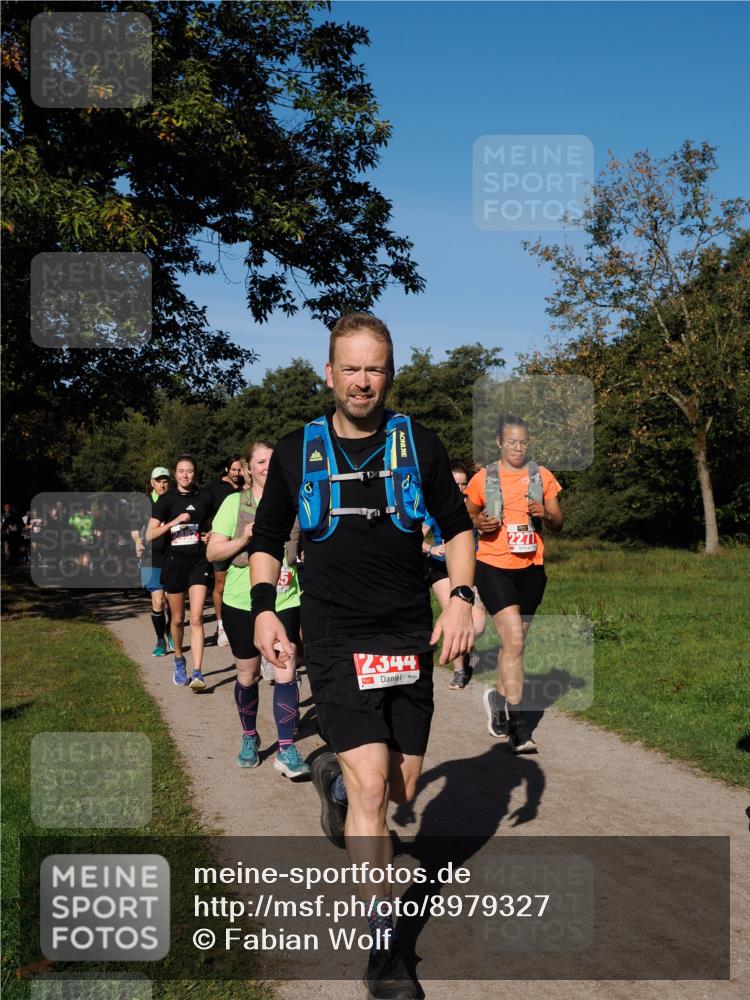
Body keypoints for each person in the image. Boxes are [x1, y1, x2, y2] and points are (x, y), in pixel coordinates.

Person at [250, 313, 475, 999]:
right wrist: (264, 606)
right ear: (329, 373)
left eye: (374, 368)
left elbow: (457, 526)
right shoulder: (296, 451)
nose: (362, 380)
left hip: (406, 637)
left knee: (402, 788)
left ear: (389, 374)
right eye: (350, 367)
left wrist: (461, 595)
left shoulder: (421, 444)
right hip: (337, 637)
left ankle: (334, 782)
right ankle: (384, 951)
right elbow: (266, 536)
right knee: (378, 791)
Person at [207, 441, 309, 779]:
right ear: (248, 468)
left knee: (286, 670)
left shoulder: (296, 501)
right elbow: (212, 553)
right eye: (261, 461)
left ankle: (286, 748)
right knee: (248, 675)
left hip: (285, 598)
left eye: (273, 460)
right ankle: (249, 737)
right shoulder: (235, 503)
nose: (268, 466)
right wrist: (244, 540)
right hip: (241, 601)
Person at [465, 414, 563, 753]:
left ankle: (496, 695)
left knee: (514, 646)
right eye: (512, 443)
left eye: (523, 442)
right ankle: (519, 726)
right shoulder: (484, 478)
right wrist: (479, 520)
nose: (518, 448)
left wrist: (545, 514)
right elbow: (467, 513)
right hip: (493, 566)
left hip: (532, 568)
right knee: (515, 639)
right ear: (499, 443)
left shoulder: (543, 476)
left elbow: (558, 521)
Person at [146, 455, 213, 690]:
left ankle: (198, 672)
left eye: (190, 471)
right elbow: (150, 534)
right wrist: (173, 522)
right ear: (175, 474)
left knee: (196, 618)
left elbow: (213, 525)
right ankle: (178, 660)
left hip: (198, 563)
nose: (186, 475)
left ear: (195, 473)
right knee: (177, 619)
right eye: (181, 471)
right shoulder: (166, 500)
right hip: (173, 564)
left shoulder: (205, 498)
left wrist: (210, 535)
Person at [422, 458, 487, 690]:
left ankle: (469, 648)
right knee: (452, 615)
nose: (459, 489)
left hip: (471, 567)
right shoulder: (435, 507)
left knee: (477, 624)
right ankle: (460, 670)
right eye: (454, 484)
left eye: (463, 484)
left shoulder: (474, 505)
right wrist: (431, 548)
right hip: (441, 568)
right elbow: (415, 536)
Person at [132, 467, 173, 657]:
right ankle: (160, 641)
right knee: (158, 601)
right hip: (151, 556)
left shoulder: (175, 501)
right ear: (152, 483)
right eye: (159, 481)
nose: (162, 484)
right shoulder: (143, 504)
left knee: (172, 602)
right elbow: (134, 528)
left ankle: (170, 630)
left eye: (165, 480)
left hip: (173, 556)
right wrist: (138, 541)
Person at [204, 455, 244, 648]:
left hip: (242, 543)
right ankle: (221, 626)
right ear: (227, 469)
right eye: (234, 469)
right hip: (221, 542)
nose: (238, 473)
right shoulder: (215, 488)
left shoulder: (247, 487)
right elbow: (204, 512)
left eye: (240, 469)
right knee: (220, 584)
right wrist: (207, 531)